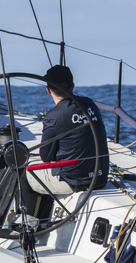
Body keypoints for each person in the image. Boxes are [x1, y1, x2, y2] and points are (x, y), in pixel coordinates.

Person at [24, 65, 109, 210]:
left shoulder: (54, 116)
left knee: (25, 174)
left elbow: (46, 157)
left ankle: (33, 225)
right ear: (73, 86)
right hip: (101, 178)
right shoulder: (90, 104)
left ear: (48, 90)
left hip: (75, 181)